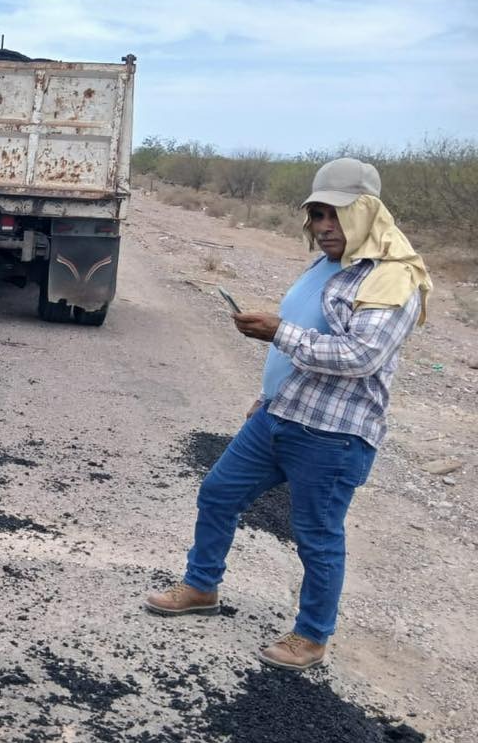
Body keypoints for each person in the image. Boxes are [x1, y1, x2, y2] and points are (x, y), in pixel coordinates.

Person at [145, 158, 430, 670]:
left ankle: (312, 636)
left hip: (333, 435)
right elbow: (306, 330)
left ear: (368, 212)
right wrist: (267, 394)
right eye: (317, 215)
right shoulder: (326, 265)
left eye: (337, 215)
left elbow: (361, 356)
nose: (324, 227)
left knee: (316, 537)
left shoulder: (392, 277)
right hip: (279, 414)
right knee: (218, 493)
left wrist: (278, 331)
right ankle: (201, 586)